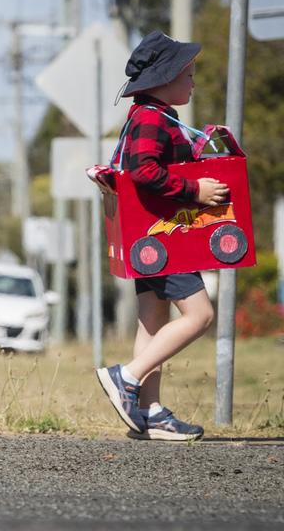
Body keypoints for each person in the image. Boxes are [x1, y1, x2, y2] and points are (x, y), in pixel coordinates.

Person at [95, 30, 224, 442]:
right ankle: (126, 377)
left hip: (149, 237)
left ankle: (149, 412)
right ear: (163, 80)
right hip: (166, 239)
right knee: (201, 315)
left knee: (153, 321)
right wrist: (196, 190)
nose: (192, 81)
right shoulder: (151, 118)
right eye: (187, 74)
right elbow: (144, 172)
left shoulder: (149, 116)